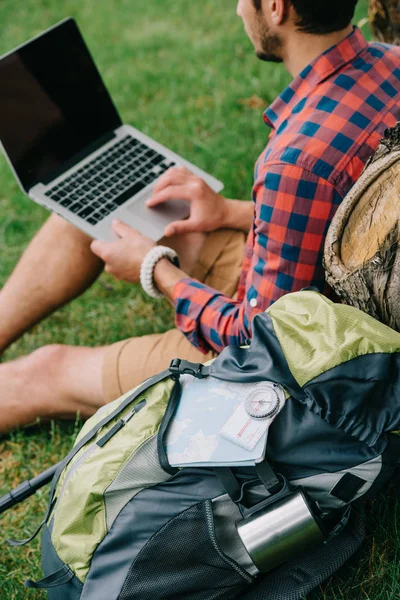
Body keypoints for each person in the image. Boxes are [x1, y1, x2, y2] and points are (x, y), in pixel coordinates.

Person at [1, 0, 399, 432]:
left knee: (46, 369)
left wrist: (155, 270)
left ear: (275, 8)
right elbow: (357, 217)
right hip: (327, 298)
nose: (238, 10)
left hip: (290, 373)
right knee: (97, 215)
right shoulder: (391, 64)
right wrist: (228, 212)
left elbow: (258, 346)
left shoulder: (295, 160)